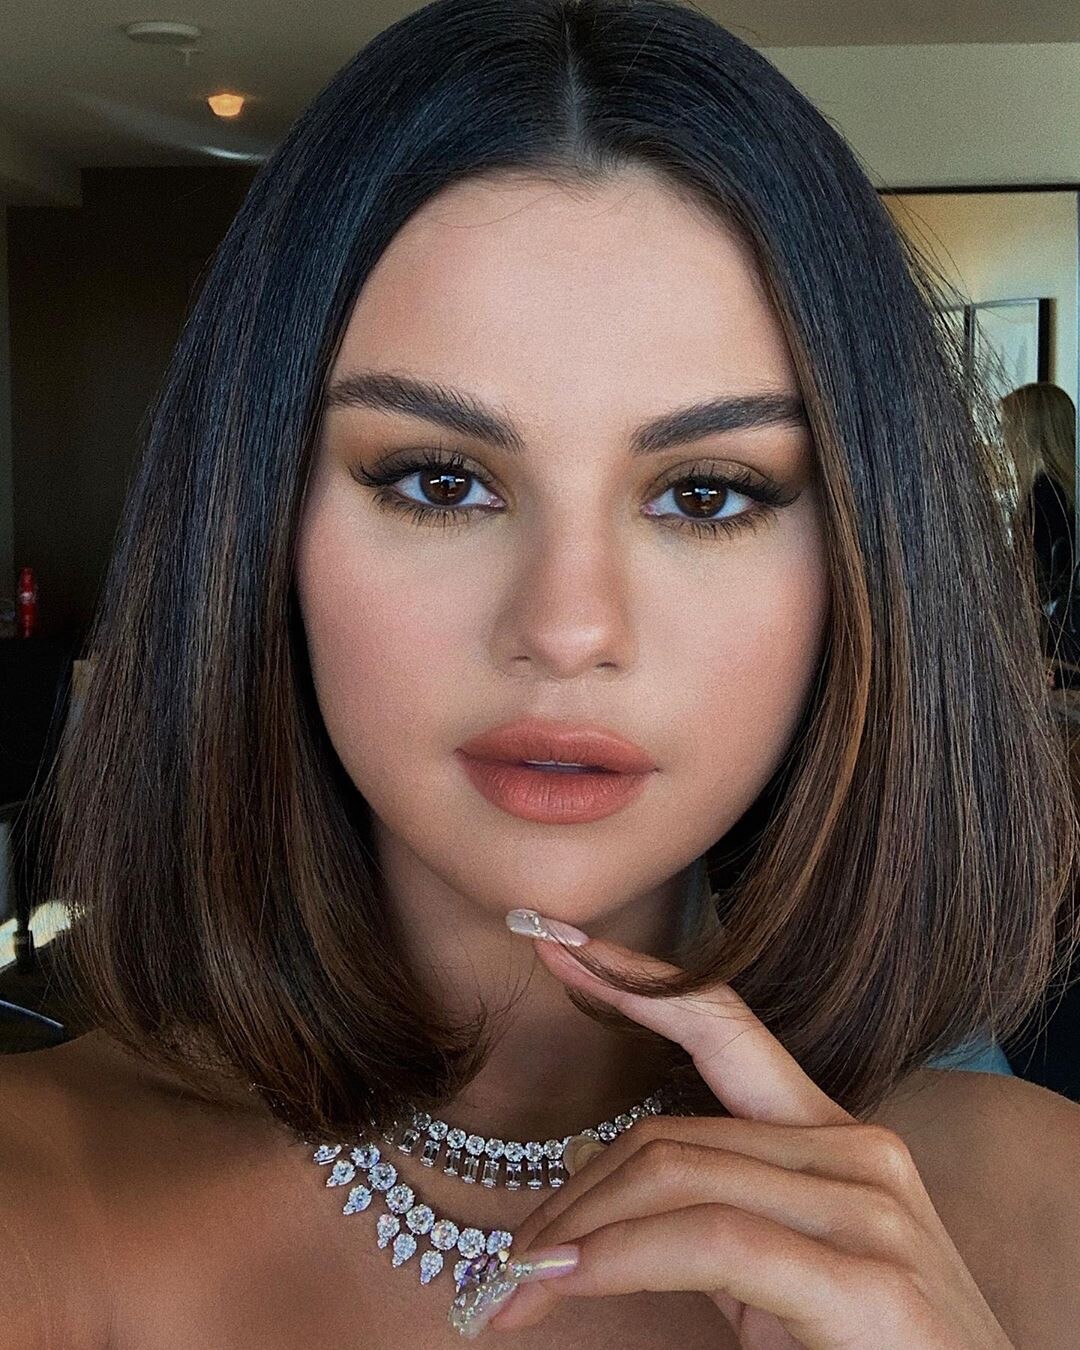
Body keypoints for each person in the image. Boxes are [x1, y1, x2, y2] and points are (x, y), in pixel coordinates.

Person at [2, 0, 1079, 1345]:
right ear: (257, 530)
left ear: (869, 564)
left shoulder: (1045, 1215)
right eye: (439, 480)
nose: (568, 627)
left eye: (705, 493)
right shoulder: (34, 1209)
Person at [1000, 382, 1079, 684]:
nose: (1004, 437)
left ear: (1029, 431)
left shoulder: (1043, 495)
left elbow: (1032, 580)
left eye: (1009, 425)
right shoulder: (1062, 492)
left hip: (1044, 644)